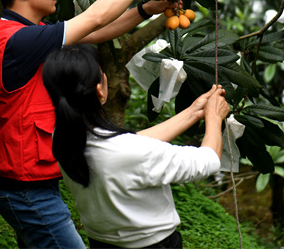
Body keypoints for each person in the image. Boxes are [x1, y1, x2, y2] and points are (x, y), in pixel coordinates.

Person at [0, 0, 183, 248]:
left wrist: (146, 9)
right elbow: (93, 19)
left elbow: (97, 31)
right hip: (23, 187)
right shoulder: (21, 40)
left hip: (26, 182)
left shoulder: (29, 32)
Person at [42, 45, 230, 249]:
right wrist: (214, 118)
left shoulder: (62, 138)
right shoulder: (125, 152)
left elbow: (131, 145)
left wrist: (193, 112)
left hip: (101, 243)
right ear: (100, 91)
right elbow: (207, 161)